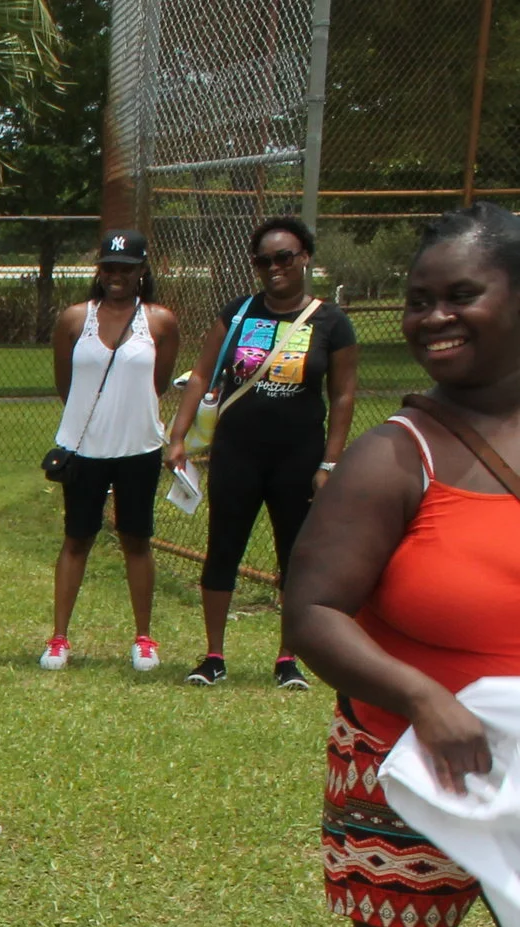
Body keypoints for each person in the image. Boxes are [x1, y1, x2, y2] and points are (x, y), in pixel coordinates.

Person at [286, 203, 520, 927]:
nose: (432, 315)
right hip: (410, 765)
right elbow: (314, 612)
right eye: (420, 297)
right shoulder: (399, 452)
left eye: (458, 294)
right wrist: (426, 698)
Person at [166, 214, 361, 689]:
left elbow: (342, 395)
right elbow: (200, 375)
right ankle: (213, 656)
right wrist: (178, 437)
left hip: (298, 456)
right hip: (238, 452)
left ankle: (287, 658)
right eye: (263, 260)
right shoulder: (237, 314)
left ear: (305, 258)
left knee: (294, 557)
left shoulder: (331, 322)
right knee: (223, 548)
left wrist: (329, 463)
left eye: (284, 257)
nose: (274, 267)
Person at [40, 231, 183, 672]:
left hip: (137, 447)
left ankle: (143, 638)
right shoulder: (73, 319)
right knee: (76, 539)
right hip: (83, 449)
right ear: (98, 271)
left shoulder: (159, 321)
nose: (117, 276)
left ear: (142, 271)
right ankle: (60, 638)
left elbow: (157, 383)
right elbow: (67, 385)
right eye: (109, 267)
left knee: (136, 540)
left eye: (126, 268)